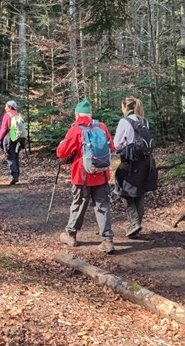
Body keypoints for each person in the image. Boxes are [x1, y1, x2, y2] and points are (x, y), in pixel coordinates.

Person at [56, 99, 116, 254]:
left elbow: (61, 153)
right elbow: (112, 147)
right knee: (102, 205)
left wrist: (64, 143)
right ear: (90, 114)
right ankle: (107, 240)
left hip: (81, 176)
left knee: (79, 203)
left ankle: (71, 235)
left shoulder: (75, 129)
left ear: (77, 114)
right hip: (102, 174)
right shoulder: (101, 126)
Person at [113, 96, 157, 238]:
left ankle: (134, 223)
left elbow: (117, 144)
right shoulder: (144, 121)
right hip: (146, 163)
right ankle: (136, 226)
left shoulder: (124, 122)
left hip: (131, 163)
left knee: (124, 192)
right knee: (139, 193)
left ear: (125, 107)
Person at [0, 99, 23, 185]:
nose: (5, 108)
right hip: (19, 138)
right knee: (15, 156)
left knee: (10, 156)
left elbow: (3, 129)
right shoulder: (18, 115)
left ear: (9, 107)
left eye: (6, 106)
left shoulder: (7, 115)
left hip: (10, 136)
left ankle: (14, 176)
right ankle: (17, 175)